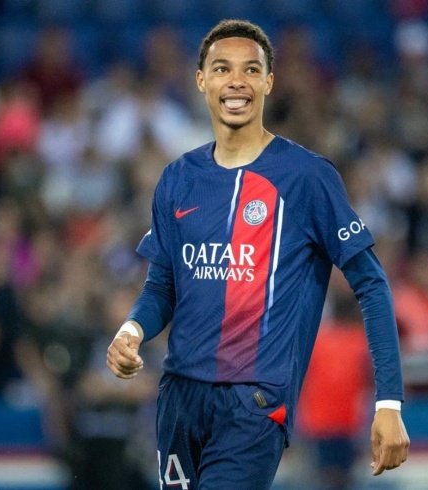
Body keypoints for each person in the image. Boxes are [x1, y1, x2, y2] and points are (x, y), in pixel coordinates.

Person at [106, 19, 409, 489]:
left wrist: (388, 402)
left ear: (268, 82)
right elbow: (162, 284)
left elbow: (371, 282)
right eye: (222, 68)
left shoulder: (306, 177)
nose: (236, 81)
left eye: (250, 69)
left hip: (254, 403)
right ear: (201, 80)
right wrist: (132, 331)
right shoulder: (178, 178)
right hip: (179, 398)